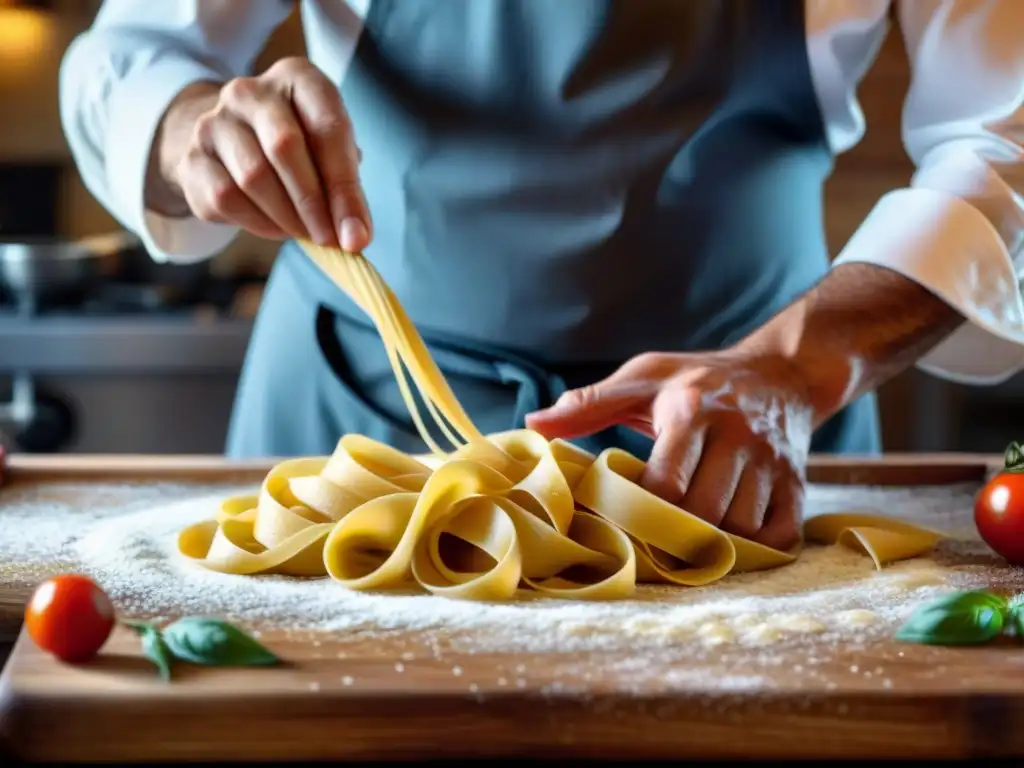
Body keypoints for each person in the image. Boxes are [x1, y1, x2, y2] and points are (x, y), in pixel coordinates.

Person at [60, 0, 1024, 551]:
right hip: (352, 425)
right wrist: (192, 126)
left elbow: (1004, 138)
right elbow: (131, 53)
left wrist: (795, 369)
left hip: (739, 439)